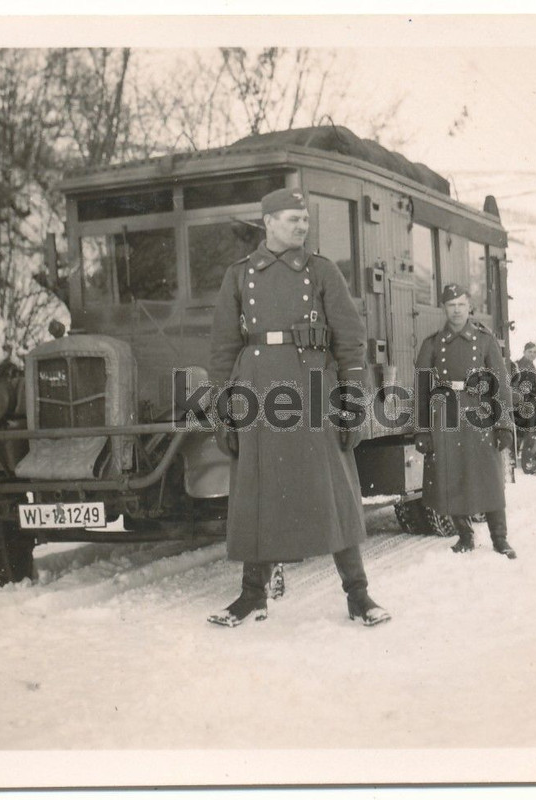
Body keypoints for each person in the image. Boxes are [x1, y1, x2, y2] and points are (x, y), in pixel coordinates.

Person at [206, 187, 390, 627]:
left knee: (334, 492)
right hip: (256, 393)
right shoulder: (239, 276)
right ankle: (253, 596)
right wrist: (221, 410)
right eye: (292, 219)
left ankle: (359, 595)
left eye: (304, 219)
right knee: (257, 490)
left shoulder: (322, 271)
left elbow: (349, 343)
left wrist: (353, 403)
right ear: (267, 222)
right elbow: (221, 350)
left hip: (312, 393)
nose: (301, 226)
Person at [414, 284, 517, 559]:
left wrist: (504, 424)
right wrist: (422, 429)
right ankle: (465, 535)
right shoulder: (432, 343)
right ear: (444, 309)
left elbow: (501, 385)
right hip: (446, 415)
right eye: (451, 305)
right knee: (452, 473)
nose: (456, 310)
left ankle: (500, 538)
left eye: (461, 304)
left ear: (469, 306)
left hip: (480, 412)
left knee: (490, 476)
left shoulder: (485, 340)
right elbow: (422, 388)